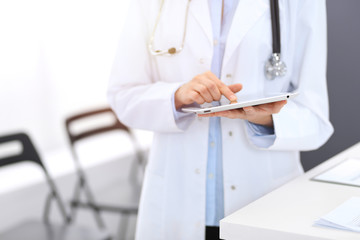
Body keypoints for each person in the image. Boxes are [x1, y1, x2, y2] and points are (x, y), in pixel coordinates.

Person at [107, 0, 333, 239]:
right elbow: (122, 94)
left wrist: (265, 118)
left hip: (264, 200)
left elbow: (315, 117)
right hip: (176, 201)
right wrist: (175, 96)